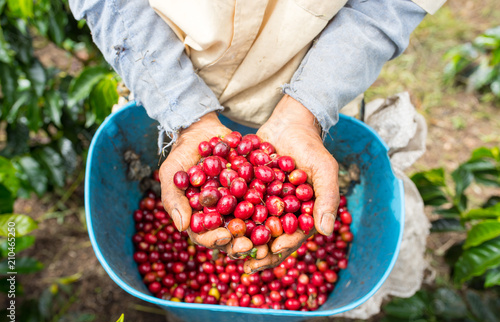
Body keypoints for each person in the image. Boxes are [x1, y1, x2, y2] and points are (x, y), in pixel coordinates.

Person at [69, 0, 445, 273]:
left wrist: (307, 110)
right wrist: (185, 115)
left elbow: (389, 6)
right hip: (162, 69)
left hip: (319, 76)